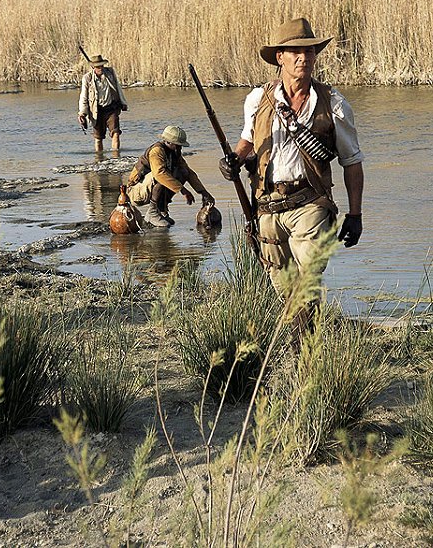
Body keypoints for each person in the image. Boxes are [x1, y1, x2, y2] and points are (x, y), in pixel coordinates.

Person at [219, 17, 364, 340]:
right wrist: (233, 160)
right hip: (267, 209)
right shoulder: (258, 100)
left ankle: (304, 354)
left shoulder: (334, 104)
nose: (304, 58)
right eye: (295, 52)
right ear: (279, 58)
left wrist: (355, 215)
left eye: (309, 51)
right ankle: (305, 345)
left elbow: (352, 162)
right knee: (285, 291)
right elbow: (247, 141)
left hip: (310, 204)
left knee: (308, 281)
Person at [127, 125, 215, 228]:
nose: (180, 148)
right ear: (169, 142)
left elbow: (188, 173)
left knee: (182, 172)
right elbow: (159, 174)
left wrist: (203, 192)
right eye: (178, 145)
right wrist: (183, 190)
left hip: (149, 188)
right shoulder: (157, 151)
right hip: (136, 192)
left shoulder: (174, 153)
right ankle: (152, 213)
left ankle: (161, 210)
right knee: (162, 177)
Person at [77, 54, 128, 152]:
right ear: (93, 67)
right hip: (96, 111)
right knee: (98, 138)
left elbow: (118, 87)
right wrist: (82, 113)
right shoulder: (87, 78)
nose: (101, 68)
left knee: (116, 133)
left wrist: (123, 102)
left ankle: (115, 158)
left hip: (111, 108)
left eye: (102, 66)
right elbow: (83, 97)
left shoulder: (110, 73)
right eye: (98, 66)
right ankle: (99, 159)